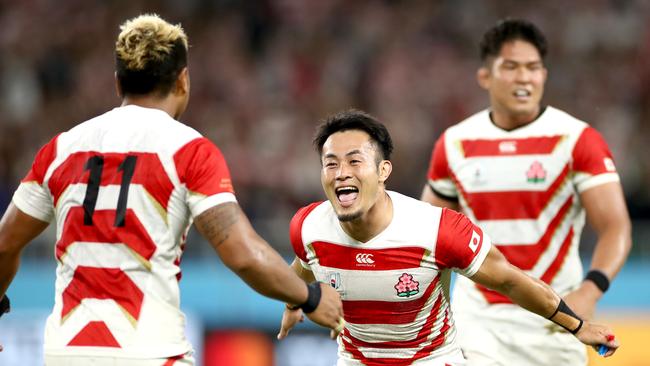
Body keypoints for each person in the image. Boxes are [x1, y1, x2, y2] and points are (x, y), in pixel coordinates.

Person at [0, 14, 343, 366]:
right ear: (183, 80)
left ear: (118, 84)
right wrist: (308, 296)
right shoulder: (189, 151)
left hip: (66, 352)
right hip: (148, 352)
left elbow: (4, 243)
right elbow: (242, 253)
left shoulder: (62, 149)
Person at [277, 109, 618, 365]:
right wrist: (295, 302)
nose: (342, 173)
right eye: (331, 164)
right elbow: (304, 263)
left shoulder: (436, 229)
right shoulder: (308, 226)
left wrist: (576, 326)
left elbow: (510, 281)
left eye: (354, 161)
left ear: (383, 171)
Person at [420, 19, 632, 365]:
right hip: (477, 324)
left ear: (544, 76)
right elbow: (428, 238)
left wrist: (590, 290)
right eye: (511, 67)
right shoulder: (455, 143)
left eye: (533, 68)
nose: (524, 78)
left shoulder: (577, 140)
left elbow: (616, 227)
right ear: (484, 77)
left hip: (557, 321)